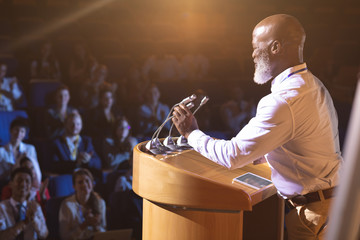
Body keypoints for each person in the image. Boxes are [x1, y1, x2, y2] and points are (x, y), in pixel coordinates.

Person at [172, 14, 342, 240]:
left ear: (275, 47)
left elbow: (233, 156)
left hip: (314, 216)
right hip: (331, 206)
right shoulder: (313, 84)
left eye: (255, 47)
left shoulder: (282, 100)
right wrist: (266, 154)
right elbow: (307, 147)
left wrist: (190, 132)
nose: (252, 54)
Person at [0, 167, 48, 240]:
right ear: (10, 184)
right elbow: (2, 237)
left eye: (27, 181)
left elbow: (44, 235)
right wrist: (24, 222)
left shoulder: (35, 206)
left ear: (31, 186)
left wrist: (34, 219)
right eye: (19, 180)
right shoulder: (1, 207)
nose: (23, 184)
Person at [59, 168, 106, 240]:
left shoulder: (100, 202)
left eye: (87, 181)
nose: (84, 184)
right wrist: (84, 225)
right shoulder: (67, 205)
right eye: (80, 182)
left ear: (92, 184)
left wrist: (96, 227)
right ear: (74, 187)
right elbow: (65, 237)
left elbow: (104, 233)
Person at [0, 117, 42, 191]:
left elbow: (35, 170)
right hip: (7, 184)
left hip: (26, 183)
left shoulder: (30, 149)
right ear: (10, 130)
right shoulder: (2, 151)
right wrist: (17, 162)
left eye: (22, 131)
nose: (19, 133)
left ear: (25, 134)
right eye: (16, 130)